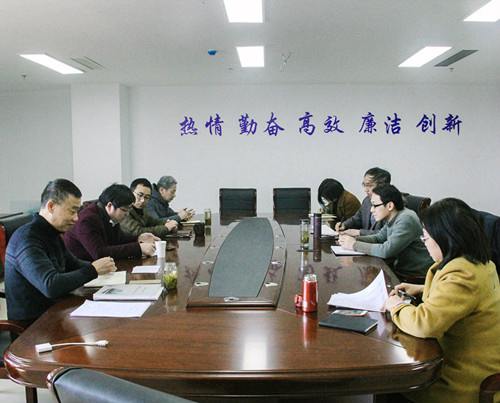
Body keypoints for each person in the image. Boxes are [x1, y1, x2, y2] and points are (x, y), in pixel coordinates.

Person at [383, 198, 500, 403]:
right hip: (477, 365)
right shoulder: (481, 263)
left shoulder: (462, 274)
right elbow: (466, 298)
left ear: (446, 238)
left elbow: (425, 324)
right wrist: (420, 288)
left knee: (390, 384)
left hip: (461, 381)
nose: (424, 242)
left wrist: (397, 306)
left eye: (426, 237)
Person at [5, 179, 116, 325]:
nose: (76, 218)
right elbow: (50, 286)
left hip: (57, 311)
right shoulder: (27, 239)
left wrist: (104, 268)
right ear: (51, 206)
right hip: (34, 326)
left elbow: (73, 264)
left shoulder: (52, 234)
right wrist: (93, 270)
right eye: (72, 211)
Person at [338, 184, 432, 279]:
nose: (371, 210)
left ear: (390, 205)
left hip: (413, 274)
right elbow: (379, 238)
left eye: (375, 206)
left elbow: (386, 251)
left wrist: (354, 245)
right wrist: (353, 240)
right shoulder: (394, 216)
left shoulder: (405, 219)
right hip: (399, 268)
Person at [64, 183, 159, 261]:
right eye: (124, 210)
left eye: (129, 210)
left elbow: (118, 240)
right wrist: (139, 248)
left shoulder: (107, 215)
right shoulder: (87, 220)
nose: (127, 214)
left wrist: (138, 238)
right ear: (109, 206)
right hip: (80, 268)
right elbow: (100, 253)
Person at [336, 167, 391, 236]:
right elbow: (357, 219)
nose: (365, 189)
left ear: (382, 186)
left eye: (369, 185)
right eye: (364, 185)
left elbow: (387, 233)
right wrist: (344, 225)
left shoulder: (391, 203)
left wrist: (359, 232)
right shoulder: (367, 200)